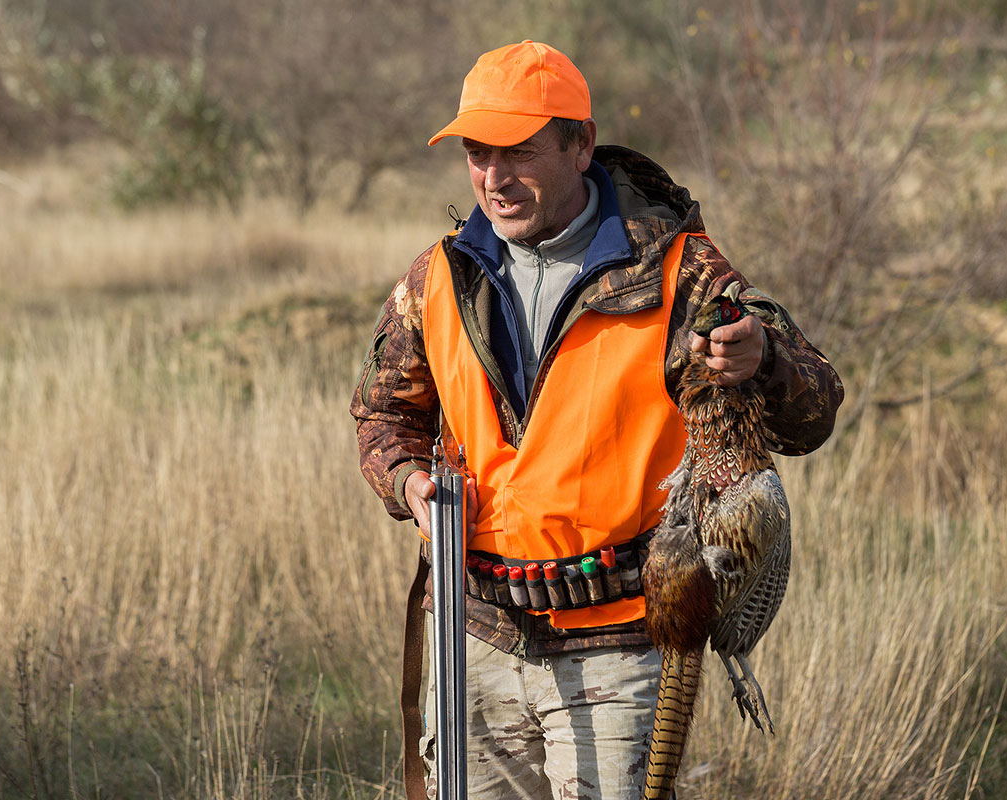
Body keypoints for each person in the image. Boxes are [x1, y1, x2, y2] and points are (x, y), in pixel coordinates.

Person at [351, 40, 843, 800]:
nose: (493, 177)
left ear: (580, 145)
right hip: (472, 636)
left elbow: (814, 412)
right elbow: (383, 412)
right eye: (478, 153)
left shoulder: (681, 272)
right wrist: (408, 480)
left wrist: (762, 361)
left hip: (619, 647)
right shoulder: (437, 277)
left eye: (518, 151)